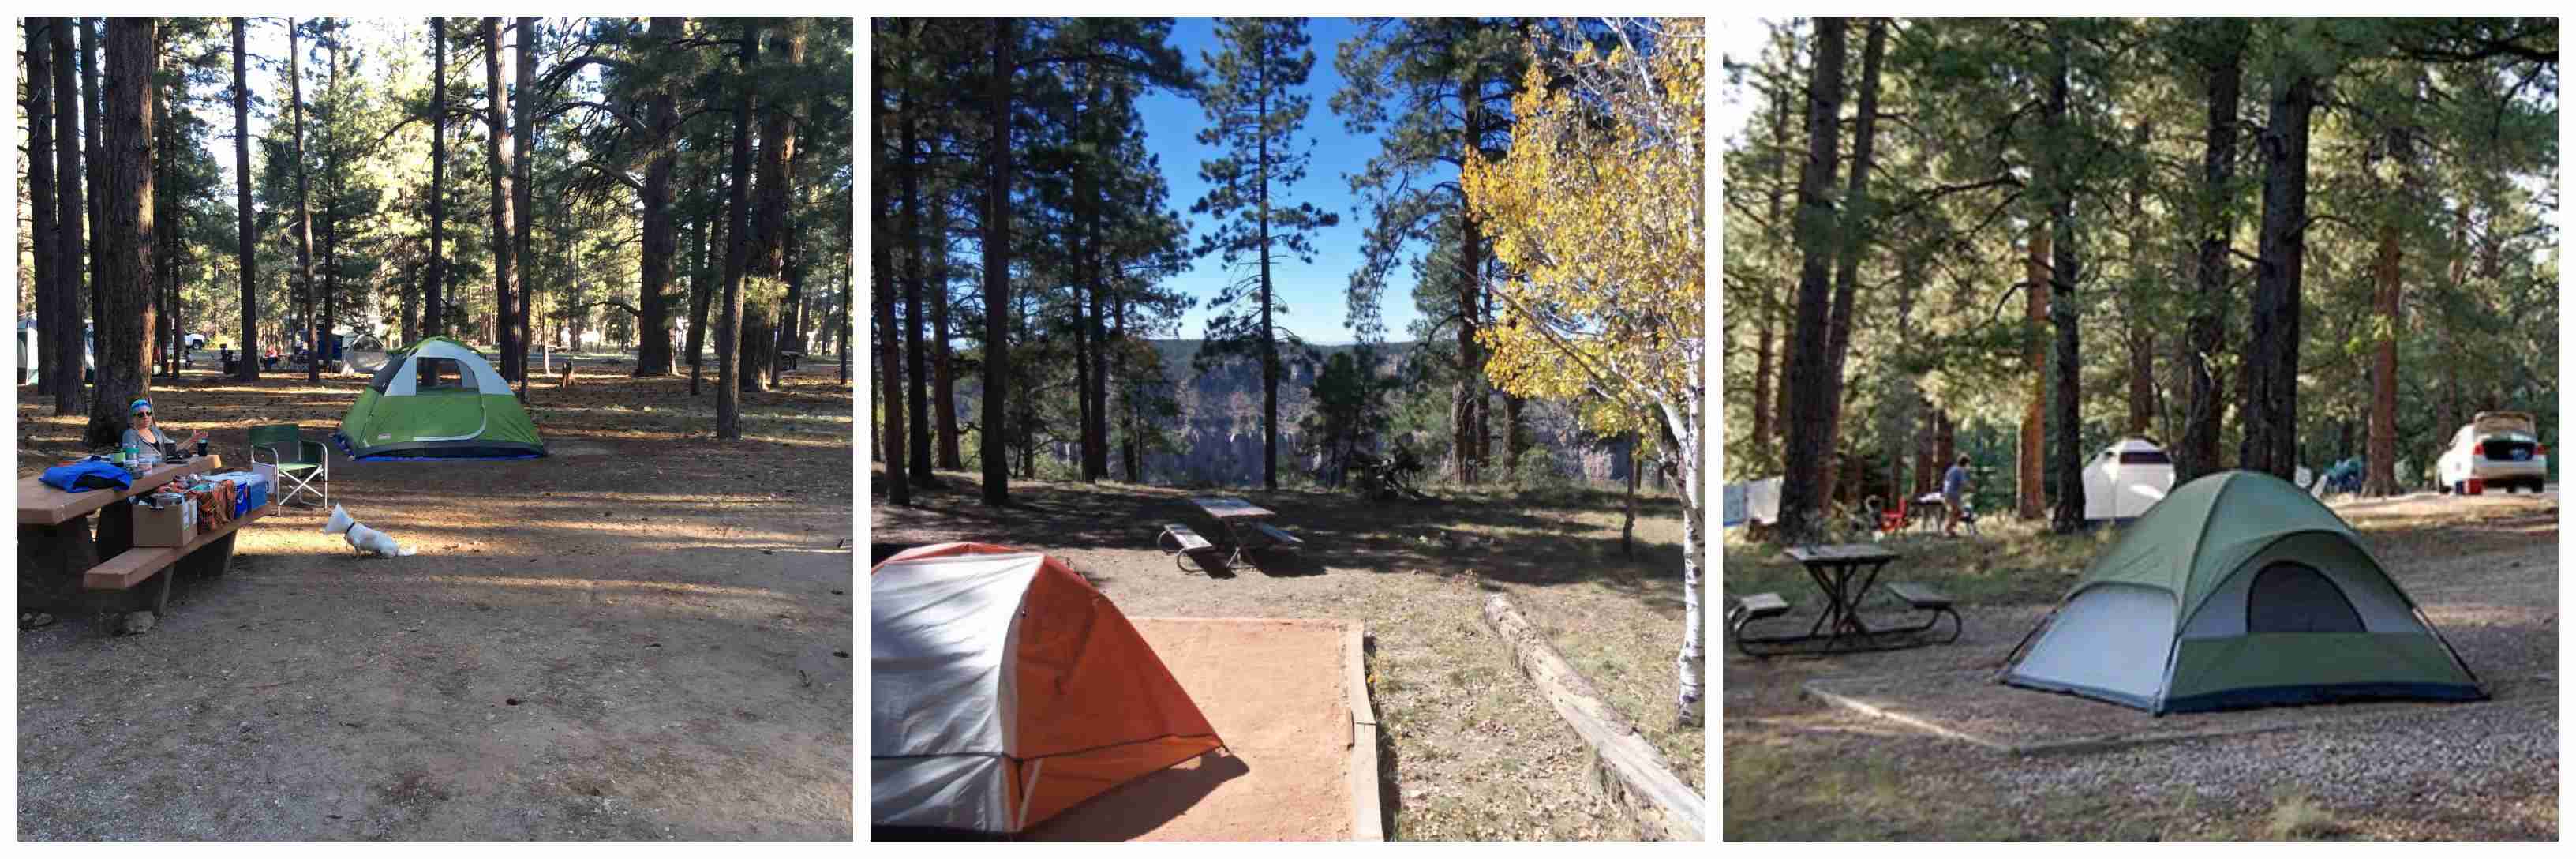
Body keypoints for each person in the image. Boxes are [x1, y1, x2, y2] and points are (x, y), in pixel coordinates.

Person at [122, 399, 208, 463]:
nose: (146, 417)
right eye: (141, 414)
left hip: (164, 472)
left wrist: (192, 440)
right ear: (133, 418)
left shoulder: (156, 431)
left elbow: (173, 450)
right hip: (147, 476)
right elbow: (131, 461)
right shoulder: (130, 434)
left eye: (148, 413)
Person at [1941, 454, 1972, 538]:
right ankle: (1948, 530)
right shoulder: (1960, 470)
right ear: (1965, 463)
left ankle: (1950, 530)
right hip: (1953, 495)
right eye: (1968, 464)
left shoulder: (1952, 469)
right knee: (1958, 512)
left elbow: (1946, 481)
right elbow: (1963, 483)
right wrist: (1971, 487)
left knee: (1953, 513)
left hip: (1946, 494)